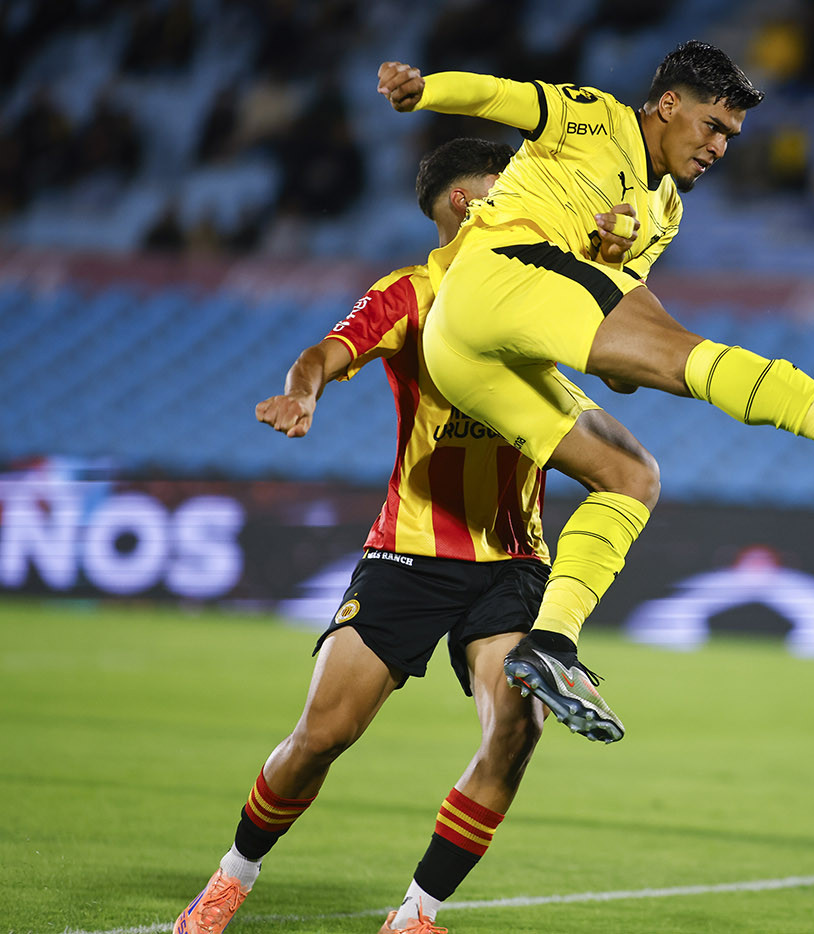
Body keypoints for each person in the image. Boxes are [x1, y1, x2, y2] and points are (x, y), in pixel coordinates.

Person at [376, 41, 814, 744]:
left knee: (631, 477)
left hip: (468, 359)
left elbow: (618, 370)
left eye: (730, 136)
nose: (719, 148)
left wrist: (605, 273)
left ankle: (549, 645)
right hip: (495, 280)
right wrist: (422, 91)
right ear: (667, 105)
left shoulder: (664, 213)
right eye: (712, 127)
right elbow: (498, 97)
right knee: (698, 356)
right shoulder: (593, 118)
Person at [174, 138, 629, 934]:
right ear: (465, 203)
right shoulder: (411, 293)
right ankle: (230, 880)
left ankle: (415, 916)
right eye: (510, 185)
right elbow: (325, 352)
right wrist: (302, 392)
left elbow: (621, 355)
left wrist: (616, 255)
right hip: (409, 556)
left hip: (515, 563)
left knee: (517, 729)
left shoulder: (543, 286)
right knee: (322, 736)